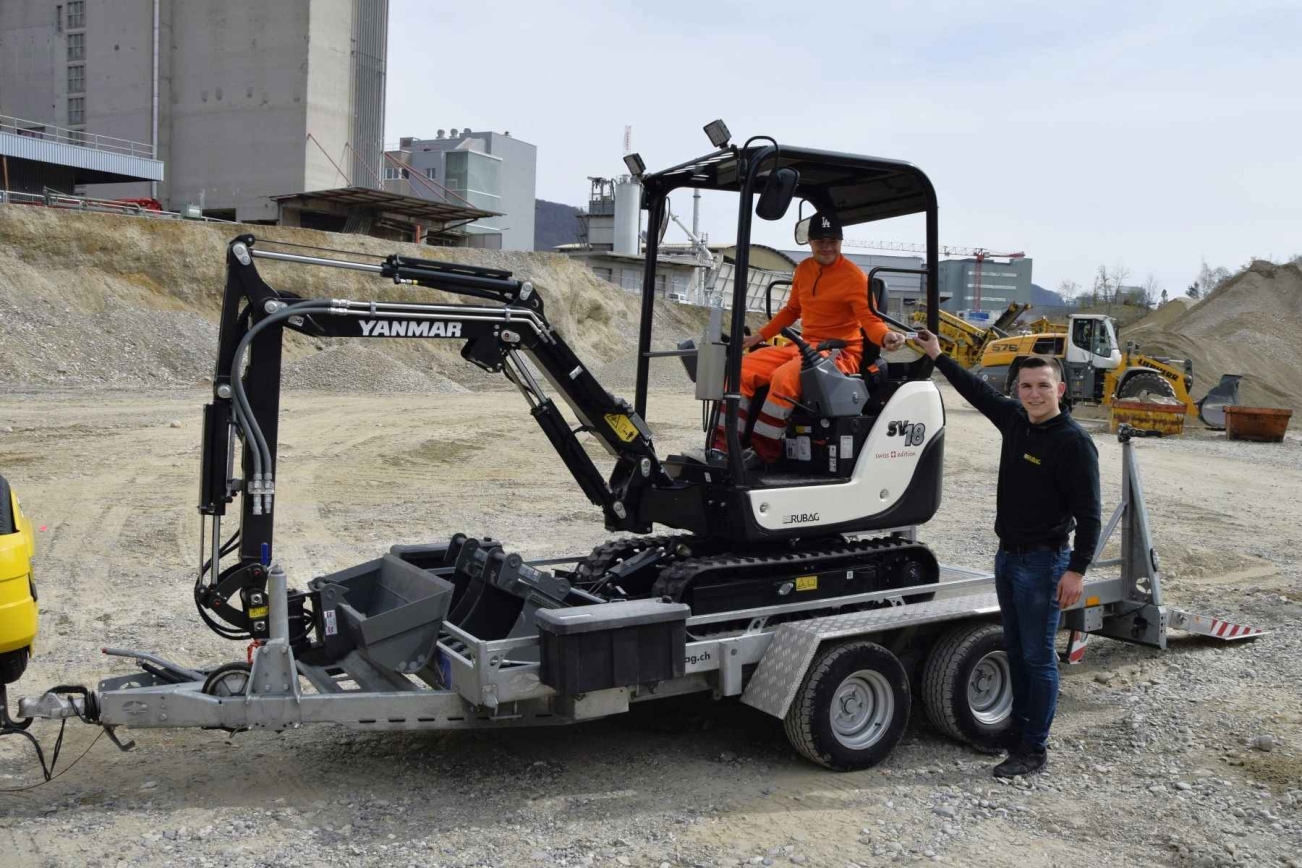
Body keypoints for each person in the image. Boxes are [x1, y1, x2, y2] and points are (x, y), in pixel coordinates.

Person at [914, 330, 1101, 777]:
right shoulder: (1015, 420)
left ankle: (1034, 748)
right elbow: (975, 390)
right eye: (1026, 386)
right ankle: (1018, 732)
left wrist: (1075, 571)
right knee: (1016, 650)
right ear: (1017, 389)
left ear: (1060, 389)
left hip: (1044, 562)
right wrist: (938, 354)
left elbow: (1090, 516)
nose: (1034, 393)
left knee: (1037, 657)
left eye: (1043, 385)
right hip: (1008, 557)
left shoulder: (1073, 442)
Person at [713, 212, 904, 463]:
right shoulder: (803, 269)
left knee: (784, 378)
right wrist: (759, 336)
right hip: (804, 345)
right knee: (743, 368)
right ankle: (724, 447)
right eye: (820, 241)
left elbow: (870, 320)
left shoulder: (854, 277)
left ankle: (763, 453)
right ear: (810, 242)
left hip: (840, 352)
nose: (827, 247)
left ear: (841, 242)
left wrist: (885, 336)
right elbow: (792, 309)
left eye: (833, 241)